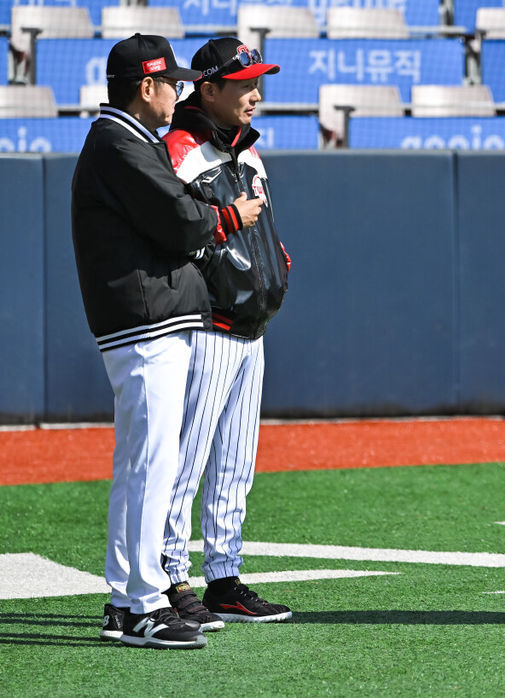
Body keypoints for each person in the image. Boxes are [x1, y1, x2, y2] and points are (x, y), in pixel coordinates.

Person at [71, 34, 260, 649]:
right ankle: (145, 602)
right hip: (143, 323)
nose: (177, 92)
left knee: (141, 467)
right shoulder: (118, 142)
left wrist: (203, 214)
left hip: (148, 321)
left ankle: (128, 602)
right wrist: (226, 217)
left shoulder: (127, 140)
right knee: (151, 467)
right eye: (169, 83)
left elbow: (178, 211)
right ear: (145, 87)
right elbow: (180, 219)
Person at [160, 37, 292, 626]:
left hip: (251, 326)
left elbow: (264, 228)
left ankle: (224, 578)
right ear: (207, 88)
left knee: (237, 461)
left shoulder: (250, 153)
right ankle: (167, 578)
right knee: (186, 462)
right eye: (243, 84)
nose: (255, 94)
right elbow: (171, 229)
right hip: (205, 326)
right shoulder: (180, 147)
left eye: (258, 82)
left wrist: (279, 261)